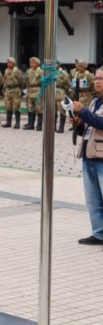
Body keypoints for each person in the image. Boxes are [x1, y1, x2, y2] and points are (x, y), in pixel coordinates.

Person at [72, 69, 103, 245]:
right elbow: (90, 126)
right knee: (93, 199)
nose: (97, 81)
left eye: (101, 79)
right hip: (89, 154)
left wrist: (84, 113)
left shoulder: (89, 106)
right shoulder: (94, 102)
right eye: (96, 78)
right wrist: (79, 123)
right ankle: (99, 234)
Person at [2, 57, 25, 129]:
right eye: (7, 62)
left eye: (10, 62)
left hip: (15, 89)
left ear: (14, 64)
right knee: (8, 106)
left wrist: (20, 88)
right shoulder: (6, 70)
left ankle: (17, 123)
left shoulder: (17, 71)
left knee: (16, 106)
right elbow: (4, 79)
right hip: (8, 90)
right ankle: (8, 122)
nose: (8, 64)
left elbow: (22, 81)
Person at [23, 57, 44, 131]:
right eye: (30, 62)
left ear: (37, 63)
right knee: (30, 108)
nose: (31, 64)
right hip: (30, 90)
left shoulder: (41, 71)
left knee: (39, 108)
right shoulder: (29, 71)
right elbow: (27, 81)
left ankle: (39, 125)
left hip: (38, 90)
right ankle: (30, 124)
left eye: (33, 62)